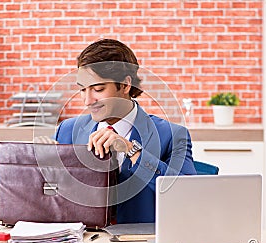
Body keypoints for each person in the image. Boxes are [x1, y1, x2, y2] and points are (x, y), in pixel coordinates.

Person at [47, 39, 196, 223]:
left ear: (125, 85)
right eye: (82, 90)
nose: (87, 101)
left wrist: (132, 151)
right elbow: (54, 198)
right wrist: (43, 168)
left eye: (98, 89)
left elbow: (188, 195)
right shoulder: (67, 131)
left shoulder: (172, 135)